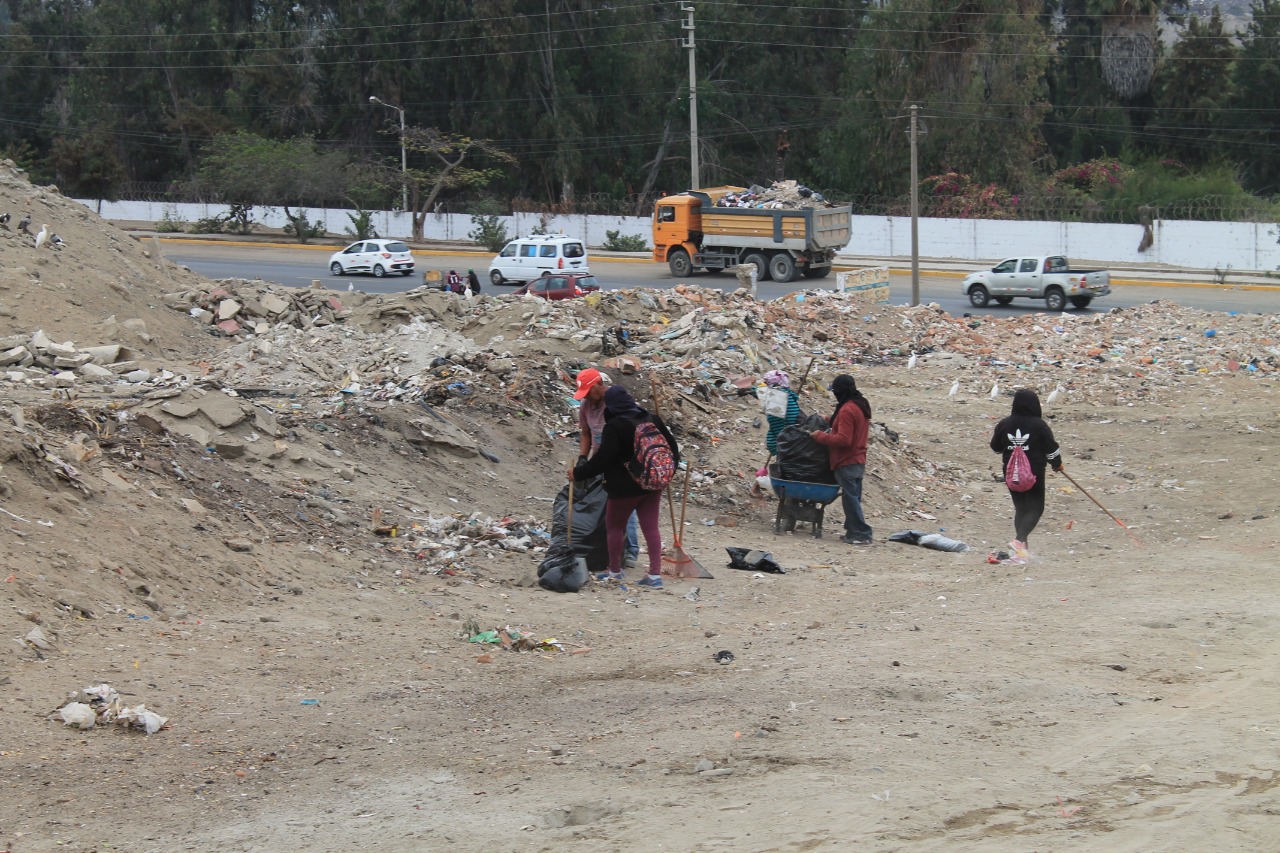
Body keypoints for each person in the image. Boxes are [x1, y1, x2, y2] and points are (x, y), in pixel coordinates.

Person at [570, 385, 679, 588]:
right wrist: (667, 474)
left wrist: (578, 473)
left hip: (624, 487)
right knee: (651, 527)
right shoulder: (651, 418)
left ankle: (614, 571)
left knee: (614, 527)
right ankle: (654, 575)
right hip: (654, 483)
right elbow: (672, 448)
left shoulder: (616, 425)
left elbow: (604, 458)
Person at [573, 368, 640, 569]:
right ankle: (607, 548)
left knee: (624, 505)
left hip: (622, 461)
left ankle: (630, 551)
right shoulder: (586, 405)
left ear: (599, 385)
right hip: (600, 461)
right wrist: (583, 458)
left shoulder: (617, 402)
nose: (586, 398)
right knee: (604, 504)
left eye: (588, 392)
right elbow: (586, 433)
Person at [990, 389, 1063, 563]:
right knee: (1036, 508)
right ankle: (1020, 541)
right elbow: (1051, 450)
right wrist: (1057, 465)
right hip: (1034, 474)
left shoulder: (1004, 424)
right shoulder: (1039, 425)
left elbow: (995, 447)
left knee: (1022, 509)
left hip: (1011, 474)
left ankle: (1021, 549)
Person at [810, 374, 873, 546]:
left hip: (848, 460)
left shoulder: (847, 409)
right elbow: (849, 426)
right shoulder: (859, 404)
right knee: (854, 497)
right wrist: (830, 420)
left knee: (850, 499)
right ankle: (854, 530)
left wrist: (820, 437)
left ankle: (861, 533)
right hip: (858, 459)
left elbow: (844, 439)